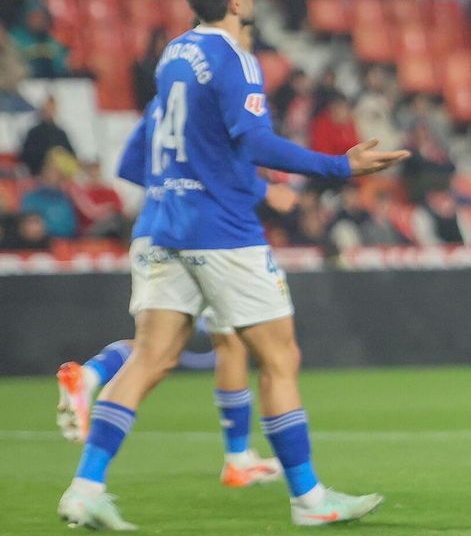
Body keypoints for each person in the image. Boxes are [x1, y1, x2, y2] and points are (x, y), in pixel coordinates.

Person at [56, 0, 408, 532]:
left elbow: (138, 154)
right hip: (221, 230)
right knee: (279, 357)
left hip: (164, 224)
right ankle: (308, 498)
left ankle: (86, 486)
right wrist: (339, 167)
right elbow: (254, 141)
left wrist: (182, 186)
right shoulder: (235, 56)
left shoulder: (174, 54)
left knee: (149, 358)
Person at [55, 92, 296, 489]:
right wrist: (266, 191)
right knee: (222, 343)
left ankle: (93, 378)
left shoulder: (164, 102)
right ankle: (239, 459)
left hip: (155, 229)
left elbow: (130, 165)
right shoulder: (215, 102)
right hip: (210, 236)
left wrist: (169, 187)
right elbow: (219, 170)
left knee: (158, 347)